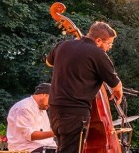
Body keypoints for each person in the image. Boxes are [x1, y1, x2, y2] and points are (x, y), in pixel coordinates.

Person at [46, 21, 124, 153]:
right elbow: (116, 85)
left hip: (55, 108)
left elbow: (49, 62)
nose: (108, 47)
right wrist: (119, 92)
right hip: (75, 111)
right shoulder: (97, 53)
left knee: (63, 148)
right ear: (98, 40)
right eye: (109, 44)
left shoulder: (63, 45)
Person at [7, 83, 57, 153]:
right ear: (44, 95)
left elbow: (46, 131)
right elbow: (30, 135)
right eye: (52, 100)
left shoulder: (42, 108)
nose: (51, 103)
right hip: (26, 148)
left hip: (44, 147)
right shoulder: (24, 107)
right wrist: (55, 132)